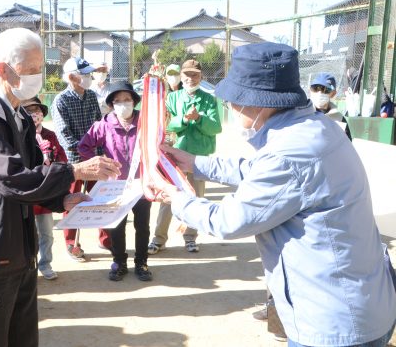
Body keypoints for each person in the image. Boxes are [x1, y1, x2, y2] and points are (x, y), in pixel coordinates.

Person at [154, 42, 396, 347]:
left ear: (258, 103)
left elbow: (229, 221)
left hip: (333, 323)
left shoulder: (290, 152)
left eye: (234, 100)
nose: (229, 106)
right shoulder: (313, 127)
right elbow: (259, 171)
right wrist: (194, 163)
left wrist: (176, 197)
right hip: (361, 302)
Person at [0, 27, 121, 347]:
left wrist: (64, 198)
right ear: (4, 70)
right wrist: (74, 169)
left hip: (21, 250)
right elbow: (12, 179)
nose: (37, 77)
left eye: (40, 69)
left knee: (24, 337)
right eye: (30, 70)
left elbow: (36, 172)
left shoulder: (18, 116)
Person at [78, 82, 153, 282]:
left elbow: (156, 145)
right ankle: (119, 262)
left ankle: (141, 263)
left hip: (141, 183)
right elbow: (84, 145)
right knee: (117, 225)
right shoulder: (104, 124)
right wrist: (100, 165)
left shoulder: (145, 122)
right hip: (116, 186)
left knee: (142, 225)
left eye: (126, 100)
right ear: (111, 104)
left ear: (134, 101)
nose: (122, 104)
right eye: (117, 101)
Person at [148, 59, 222, 255]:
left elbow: (216, 127)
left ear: (201, 77)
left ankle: (190, 237)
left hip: (199, 158)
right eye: (187, 75)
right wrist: (182, 119)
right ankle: (159, 238)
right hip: (174, 157)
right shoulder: (172, 98)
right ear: (181, 77)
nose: (190, 78)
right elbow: (166, 125)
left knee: (196, 199)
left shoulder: (209, 99)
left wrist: (199, 118)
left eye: (195, 75)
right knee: (167, 198)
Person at [52, 56, 112, 261]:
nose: (89, 77)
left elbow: (100, 126)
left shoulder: (92, 96)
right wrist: (85, 154)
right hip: (74, 164)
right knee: (71, 203)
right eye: (85, 74)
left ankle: (105, 238)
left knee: (102, 199)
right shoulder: (61, 100)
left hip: (96, 159)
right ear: (71, 77)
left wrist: (101, 150)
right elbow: (64, 135)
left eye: (89, 74)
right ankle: (72, 243)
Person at [21, 96, 67, 281]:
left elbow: (62, 159)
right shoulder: (19, 135)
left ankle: (45, 263)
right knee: (25, 233)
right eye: (29, 111)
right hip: (26, 192)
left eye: (37, 110)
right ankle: (27, 266)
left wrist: (53, 163)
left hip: (46, 194)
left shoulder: (50, 135)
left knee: (47, 233)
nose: (34, 114)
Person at [309, 72, 352, 140]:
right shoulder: (302, 114)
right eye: (316, 88)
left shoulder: (339, 118)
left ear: (333, 93)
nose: (320, 93)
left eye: (326, 90)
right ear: (310, 91)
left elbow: (347, 143)